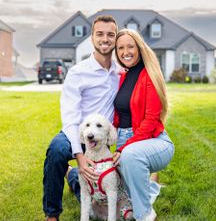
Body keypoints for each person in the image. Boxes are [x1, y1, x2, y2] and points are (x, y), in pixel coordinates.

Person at [43, 15, 119, 220]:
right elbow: (70, 118)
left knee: (93, 183)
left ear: (115, 38)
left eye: (110, 34)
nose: (105, 39)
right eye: (100, 34)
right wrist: (80, 155)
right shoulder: (78, 72)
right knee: (57, 150)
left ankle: (72, 175)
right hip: (76, 130)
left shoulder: (118, 72)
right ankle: (52, 214)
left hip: (101, 135)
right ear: (92, 38)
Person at [113, 29, 175, 221]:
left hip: (153, 142)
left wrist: (123, 148)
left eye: (130, 46)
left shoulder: (149, 74)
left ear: (139, 48)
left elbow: (149, 122)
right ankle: (152, 185)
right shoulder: (123, 76)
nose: (126, 52)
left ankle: (146, 216)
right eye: (120, 48)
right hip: (125, 141)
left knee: (131, 156)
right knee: (128, 200)